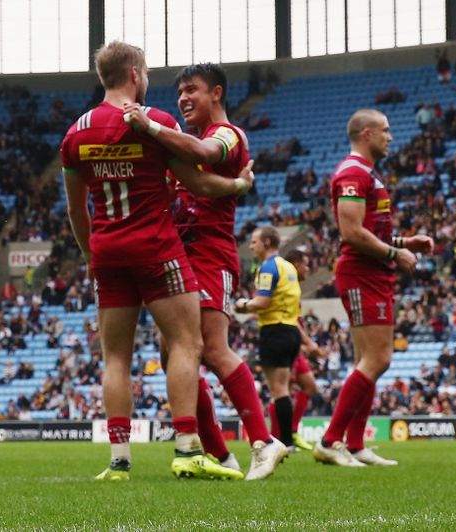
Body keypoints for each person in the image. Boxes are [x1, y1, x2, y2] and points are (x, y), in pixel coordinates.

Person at [61, 40, 252, 481]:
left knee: (115, 358)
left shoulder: (75, 134)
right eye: (145, 72)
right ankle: (186, 447)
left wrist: (92, 254)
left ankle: (119, 460)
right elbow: (200, 187)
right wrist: (239, 185)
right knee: (187, 344)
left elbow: (75, 210)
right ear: (134, 74)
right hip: (157, 248)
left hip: (108, 251)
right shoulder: (156, 123)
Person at [124, 62, 287, 481]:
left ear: (216, 93)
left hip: (210, 254)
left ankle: (263, 441)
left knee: (211, 348)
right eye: (179, 92)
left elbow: (204, 155)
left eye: (192, 90)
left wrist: (152, 128)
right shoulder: (188, 141)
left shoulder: (227, 135)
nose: (183, 98)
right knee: (171, 354)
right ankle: (219, 453)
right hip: (179, 254)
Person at [314, 109, 434, 467]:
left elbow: (371, 232)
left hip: (371, 270)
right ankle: (330, 441)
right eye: (385, 130)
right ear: (366, 134)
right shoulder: (352, 173)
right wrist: (396, 253)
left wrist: (404, 241)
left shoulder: (366, 174)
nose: (390, 137)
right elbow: (350, 233)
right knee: (378, 358)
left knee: (369, 361)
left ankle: (354, 444)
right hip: (362, 273)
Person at [235, 227, 302, 453]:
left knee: (278, 390)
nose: (251, 246)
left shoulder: (269, 267)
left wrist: (243, 305)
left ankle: (285, 441)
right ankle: (287, 438)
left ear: (266, 242)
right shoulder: (289, 267)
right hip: (291, 330)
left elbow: (262, 302)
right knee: (283, 389)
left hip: (274, 330)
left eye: (254, 242)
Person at [269, 248, 324, 452]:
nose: (308, 269)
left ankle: (289, 432)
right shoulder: (285, 285)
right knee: (283, 390)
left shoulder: (294, 287)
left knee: (307, 386)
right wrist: (308, 343)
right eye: (306, 264)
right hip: (286, 341)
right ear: (295, 265)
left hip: (294, 344)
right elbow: (289, 319)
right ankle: (277, 438)